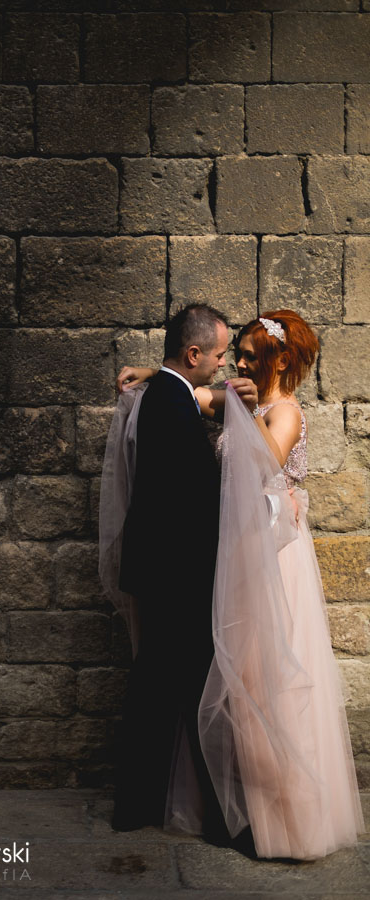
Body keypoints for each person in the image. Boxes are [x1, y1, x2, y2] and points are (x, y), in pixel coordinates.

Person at [111, 308, 366, 860]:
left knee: (265, 676)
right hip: (235, 554)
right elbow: (190, 387)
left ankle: (280, 811)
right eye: (236, 355)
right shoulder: (236, 395)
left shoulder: (286, 412)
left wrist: (246, 416)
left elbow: (260, 469)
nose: (239, 365)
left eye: (249, 356)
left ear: (278, 361)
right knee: (230, 678)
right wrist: (153, 373)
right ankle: (237, 807)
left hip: (271, 554)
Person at [99, 303, 257, 847]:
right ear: (193, 354)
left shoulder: (167, 393)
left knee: (160, 690)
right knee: (199, 694)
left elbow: (200, 393)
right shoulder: (170, 402)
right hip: (179, 577)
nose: (223, 363)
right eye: (218, 355)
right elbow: (192, 503)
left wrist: (154, 370)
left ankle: (138, 805)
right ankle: (221, 819)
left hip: (161, 571)